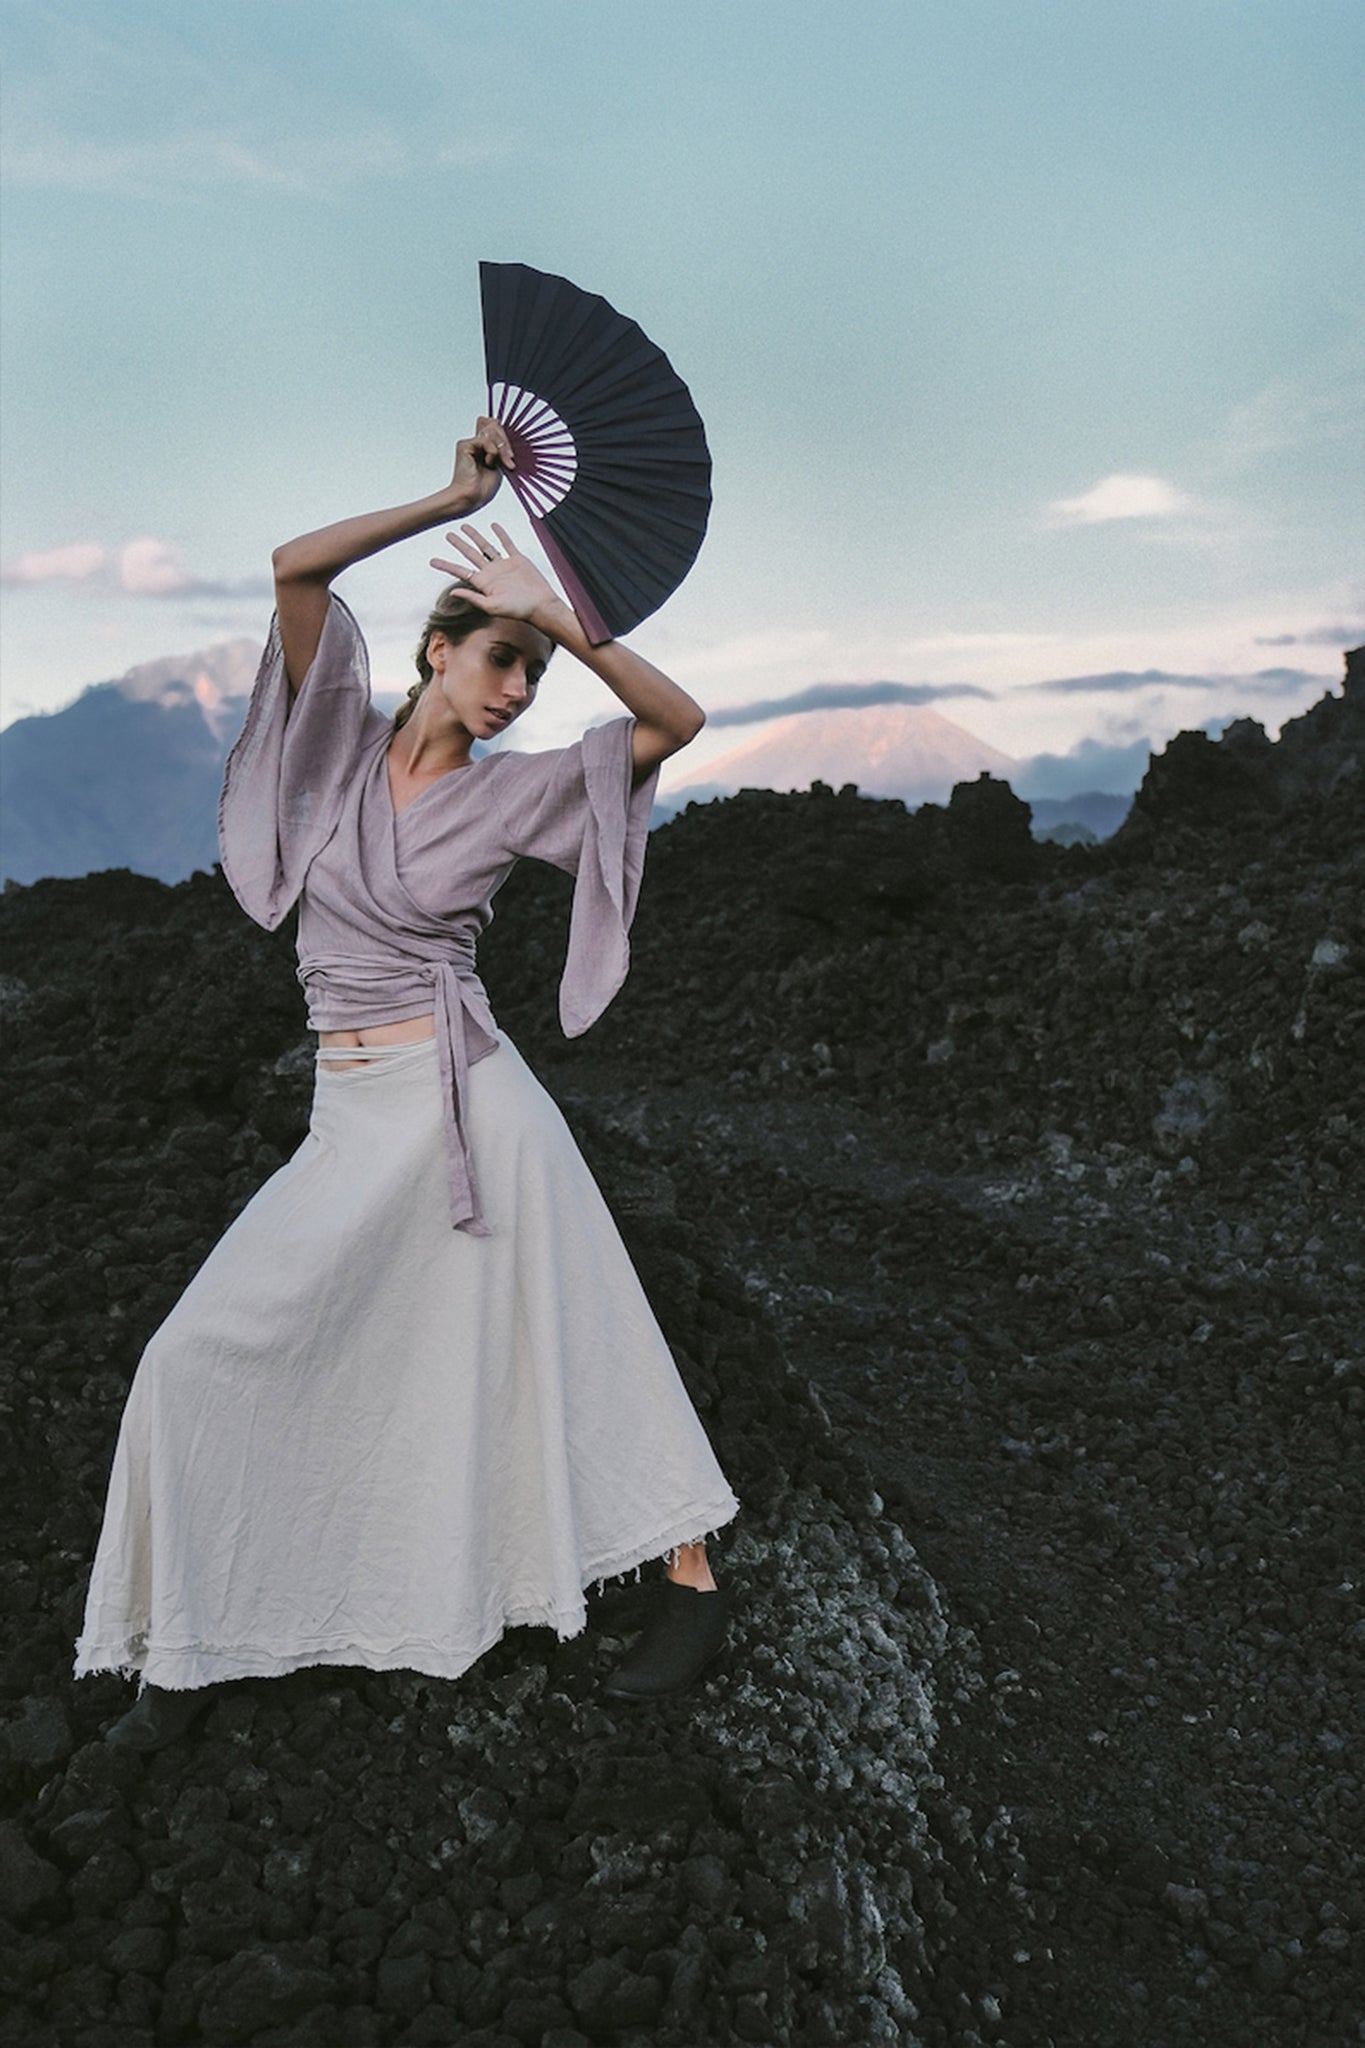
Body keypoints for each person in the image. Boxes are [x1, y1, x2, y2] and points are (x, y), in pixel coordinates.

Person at [75, 417, 741, 1750]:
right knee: (197, 1355)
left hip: (471, 1105)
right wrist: (448, 501)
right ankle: (193, 1637)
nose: (510, 689)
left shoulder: (521, 796)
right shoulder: (325, 755)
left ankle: (689, 1582)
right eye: (497, 658)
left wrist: (554, 609)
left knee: (569, 1339)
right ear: (436, 648)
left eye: (530, 679)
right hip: (350, 1115)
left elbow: (675, 720)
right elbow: (295, 571)